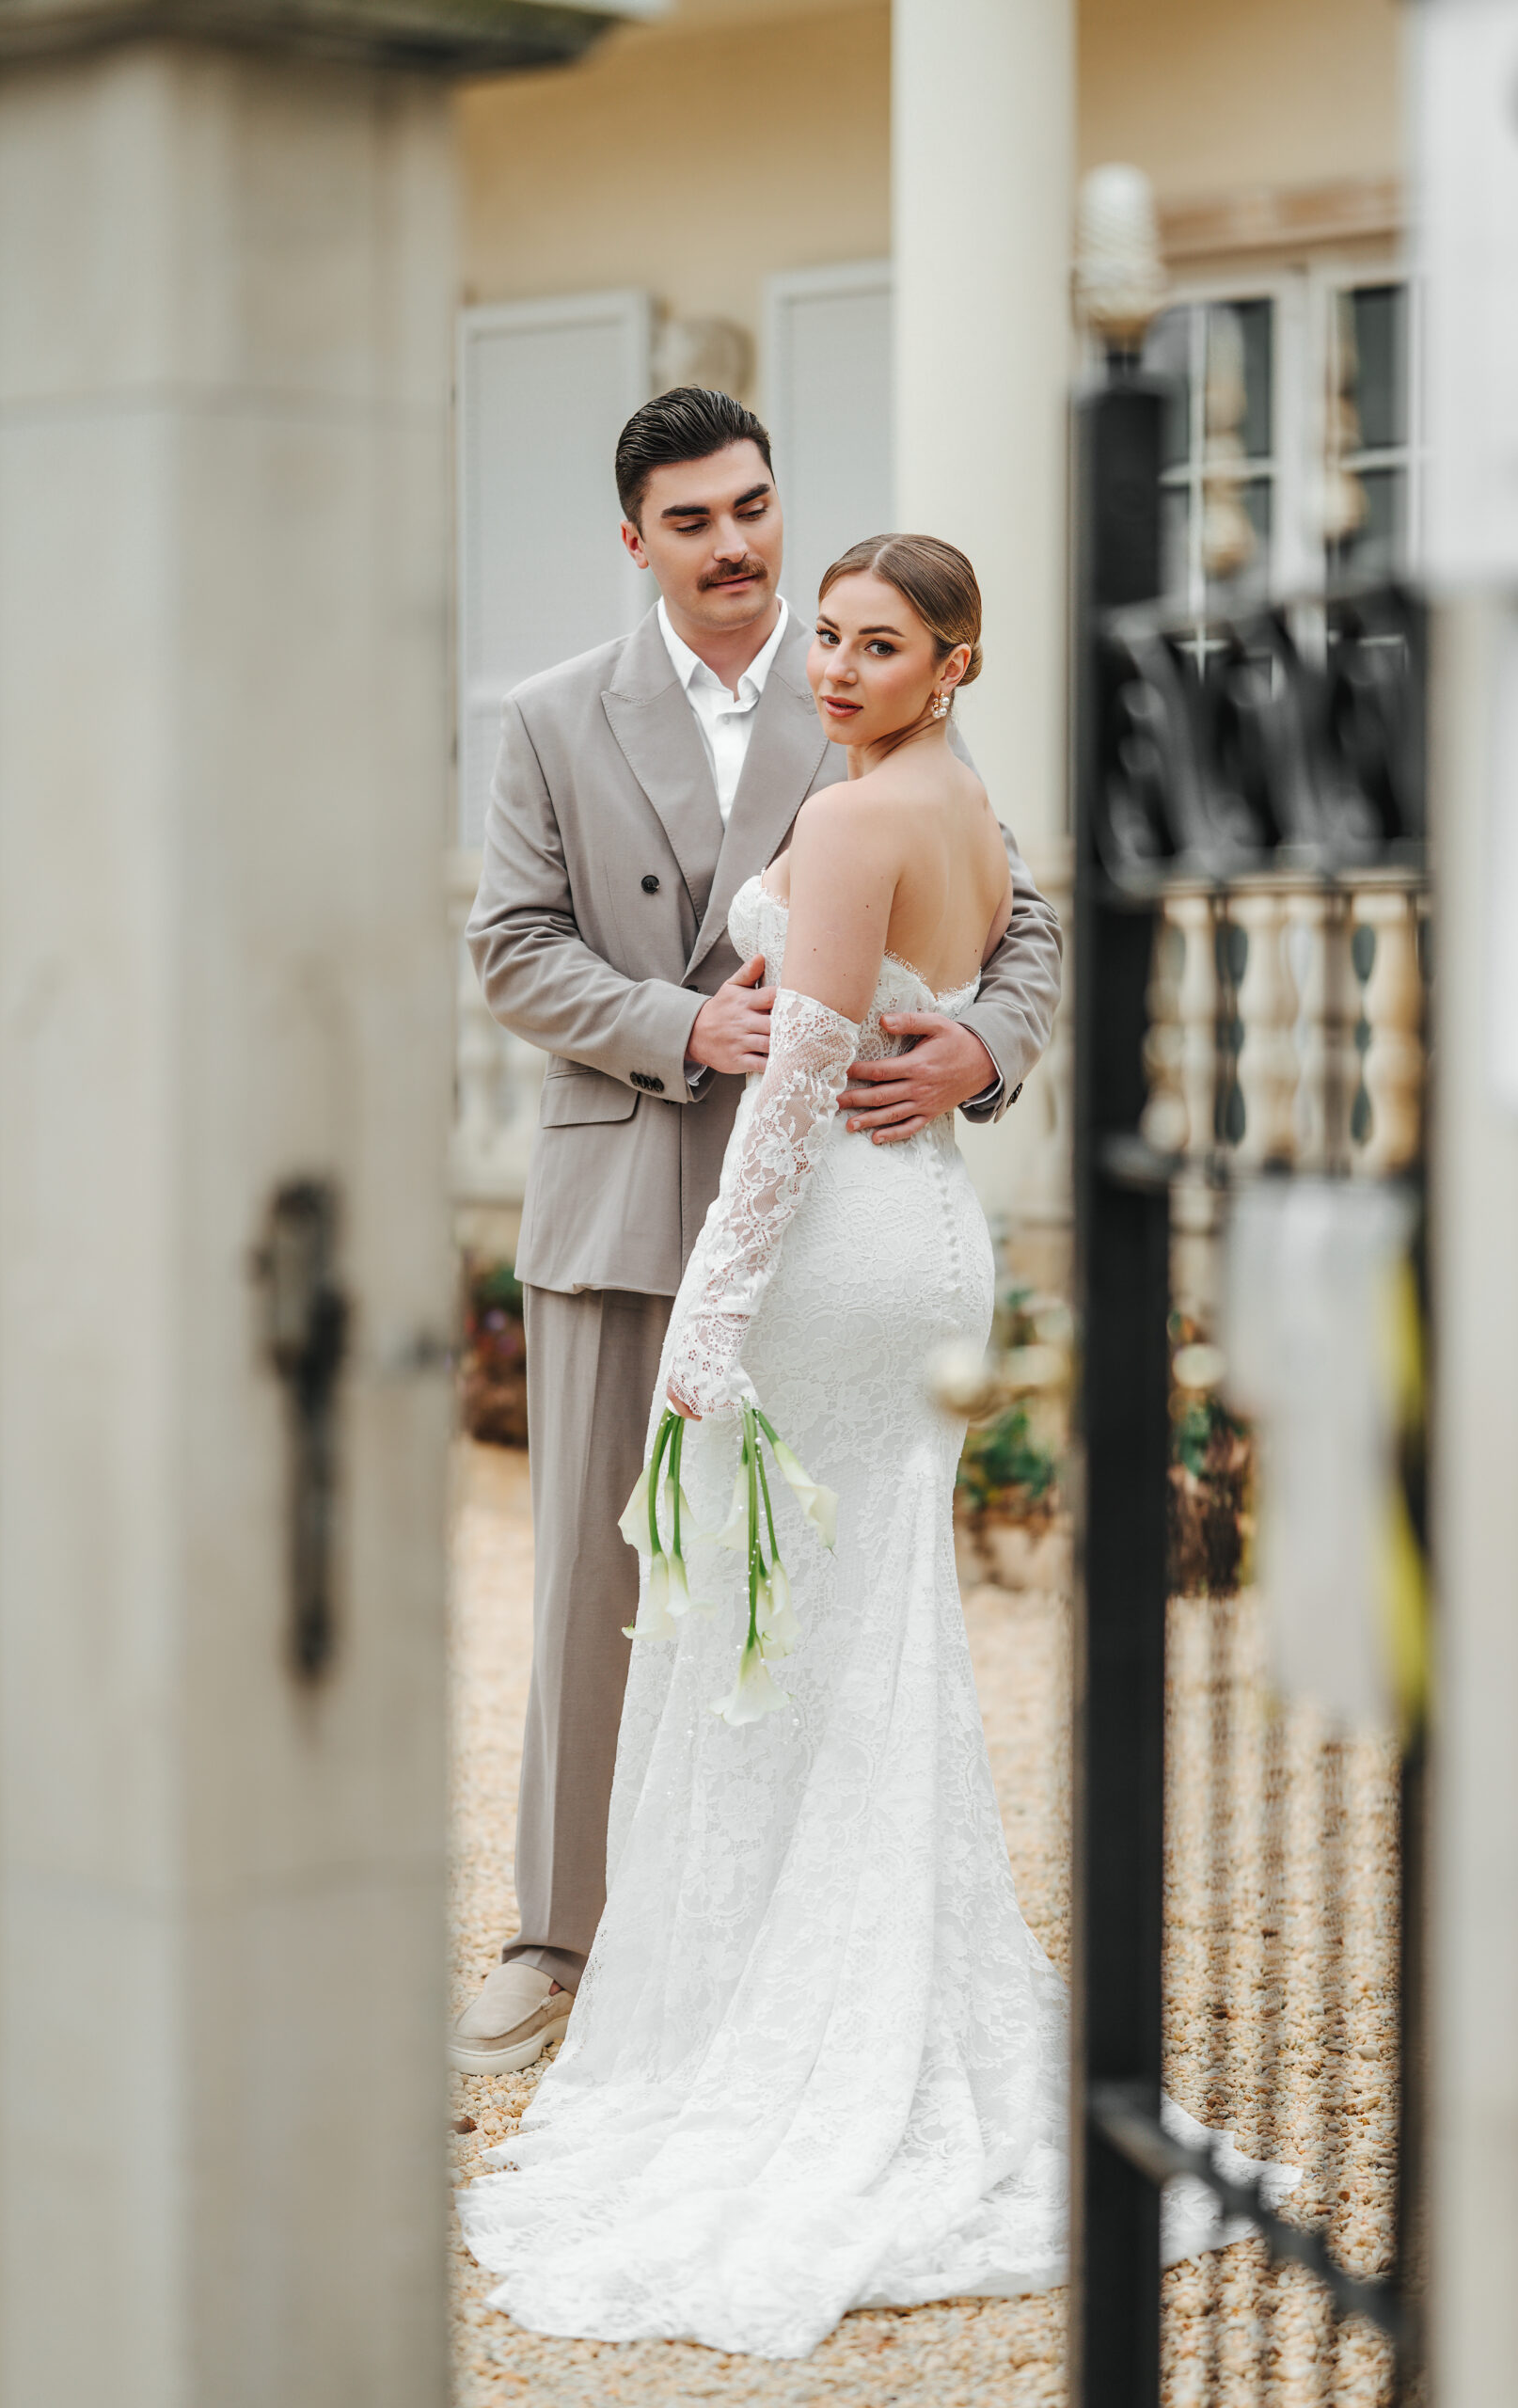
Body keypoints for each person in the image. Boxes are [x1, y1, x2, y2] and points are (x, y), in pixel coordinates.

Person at [457, 536, 1297, 2355]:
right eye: (826, 637)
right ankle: (853, 1976)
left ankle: (801, 2027)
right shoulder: (946, 792)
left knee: (767, 1637)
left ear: (955, 660)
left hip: (830, 1239)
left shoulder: (846, 826)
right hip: (920, 1239)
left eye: (876, 644)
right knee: (849, 1635)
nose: (835, 666)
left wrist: (708, 1319)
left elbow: (783, 1103)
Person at [456, 390, 1063, 2078]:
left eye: (754, 508)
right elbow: (509, 946)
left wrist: (986, 1045)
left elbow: (1024, 923)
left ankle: (774, 1939)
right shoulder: (554, 716)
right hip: (631, 1194)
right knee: (603, 1573)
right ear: (637, 541)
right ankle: (560, 1937)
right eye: (697, 522)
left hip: (832, 1213)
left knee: (810, 1580)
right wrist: (676, 1025)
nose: (737, 548)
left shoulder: (873, 675)